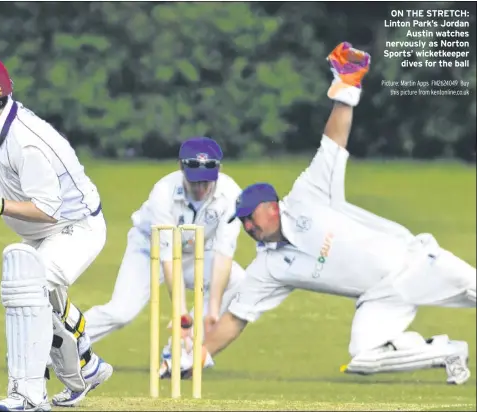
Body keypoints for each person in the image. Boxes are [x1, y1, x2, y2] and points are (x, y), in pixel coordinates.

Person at [163, 42, 476, 385]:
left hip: (417, 264)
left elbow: (332, 142)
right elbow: (235, 318)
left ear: (272, 207)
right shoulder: (268, 268)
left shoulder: (308, 196)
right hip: (380, 297)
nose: (248, 227)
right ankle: (449, 351)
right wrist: (198, 356)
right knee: (365, 358)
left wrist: (346, 88)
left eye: (252, 218)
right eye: (244, 223)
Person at [0, 55, 113, 411]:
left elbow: (48, 207)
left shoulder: (26, 142)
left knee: (26, 289)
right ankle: (87, 366)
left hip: (76, 229)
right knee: (47, 307)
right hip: (42, 232)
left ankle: (29, 394)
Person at [83, 137, 246, 378]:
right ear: (181, 168)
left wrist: (212, 310)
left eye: (206, 181)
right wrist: (181, 315)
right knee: (121, 312)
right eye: (194, 180)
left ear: (218, 170)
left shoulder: (232, 195)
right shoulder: (163, 192)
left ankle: (178, 354)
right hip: (149, 251)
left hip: (196, 254)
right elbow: (170, 258)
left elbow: (223, 256)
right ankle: (50, 344)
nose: (200, 188)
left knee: (238, 279)